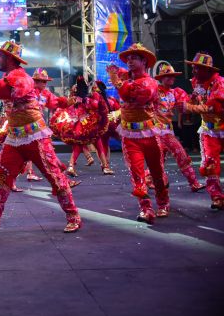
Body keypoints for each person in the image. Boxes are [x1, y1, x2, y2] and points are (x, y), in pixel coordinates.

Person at [0, 41, 81, 234]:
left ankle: (73, 216)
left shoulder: (21, 77)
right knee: (3, 176)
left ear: (9, 58)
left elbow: (2, 90)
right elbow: (0, 90)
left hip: (35, 137)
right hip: (15, 138)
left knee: (54, 176)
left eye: (0, 56)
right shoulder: (10, 77)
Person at [107, 43, 169, 224]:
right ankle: (146, 208)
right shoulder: (128, 78)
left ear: (144, 61)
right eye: (128, 58)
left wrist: (116, 79)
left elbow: (132, 95)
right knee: (136, 173)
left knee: (157, 173)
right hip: (129, 136)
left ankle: (163, 203)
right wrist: (114, 71)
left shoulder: (150, 83)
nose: (129, 61)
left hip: (149, 134)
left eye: (134, 58)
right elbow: (121, 74)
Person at [181, 52, 224, 210]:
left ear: (207, 70)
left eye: (197, 68)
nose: (193, 71)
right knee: (209, 165)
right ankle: (217, 197)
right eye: (193, 68)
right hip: (209, 130)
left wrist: (189, 107)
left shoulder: (220, 83)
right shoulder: (196, 83)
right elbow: (195, 98)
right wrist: (188, 100)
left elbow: (214, 107)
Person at [153, 63, 204, 192]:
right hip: (155, 132)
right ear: (161, 78)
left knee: (181, 155)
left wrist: (193, 98)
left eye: (172, 76)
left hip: (168, 132)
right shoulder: (153, 91)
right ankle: (152, 181)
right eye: (167, 76)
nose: (171, 79)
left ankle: (193, 183)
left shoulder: (175, 92)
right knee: (158, 160)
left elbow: (185, 106)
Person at [50, 75, 112, 176]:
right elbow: (95, 106)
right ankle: (104, 166)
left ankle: (101, 165)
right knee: (88, 143)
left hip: (79, 123)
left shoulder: (77, 98)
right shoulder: (89, 98)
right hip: (88, 123)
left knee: (88, 143)